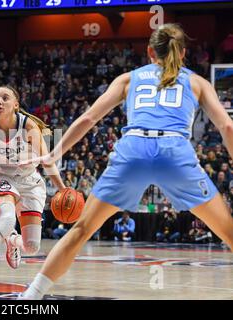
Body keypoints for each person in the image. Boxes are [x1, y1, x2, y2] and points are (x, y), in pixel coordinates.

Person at [21, 24, 233, 299]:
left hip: (133, 149)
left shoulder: (128, 79)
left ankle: (32, 296)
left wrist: (54, 153)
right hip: (174, 150)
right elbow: (227, 127)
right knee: (228, 231)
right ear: (182, 53)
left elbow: (88, 118)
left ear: (148, 52)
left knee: (82, 229)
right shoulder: (197, 82)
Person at [0, 85, 65, 289]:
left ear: (15, 104)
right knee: (7, 219)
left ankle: (12, 240)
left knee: (31, 247)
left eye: (5, 98)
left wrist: (62, 189)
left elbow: (48, 160)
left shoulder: (28, 126)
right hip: (2, 177)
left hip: (30, 181)